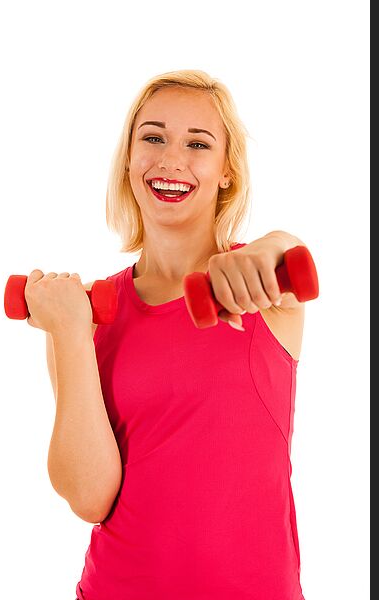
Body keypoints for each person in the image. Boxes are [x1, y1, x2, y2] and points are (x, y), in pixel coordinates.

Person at [26, 69, 308, 600]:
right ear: (130, 159)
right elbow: (89, 497)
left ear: (227, 171)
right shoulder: (86, 314)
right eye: (152, 137)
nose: (170, 160)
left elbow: (288, 252)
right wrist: (67, 332)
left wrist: (269, 245)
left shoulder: (262, 289)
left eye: (197, 144)